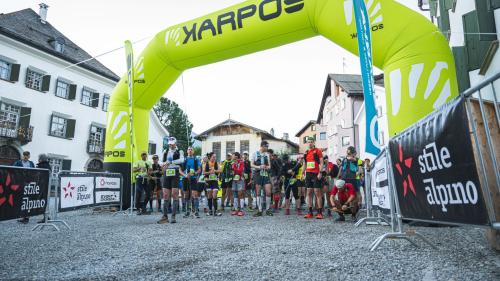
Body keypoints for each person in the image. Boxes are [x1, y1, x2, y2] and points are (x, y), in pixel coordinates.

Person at [157, 137, 185, 224]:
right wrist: (165, 163)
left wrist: (171, 161)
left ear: (175, 143)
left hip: (175, 172)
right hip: (167, 172)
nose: (171, 145)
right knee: (165, 195)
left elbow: (182, 160)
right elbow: (160, 162)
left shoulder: (179, 151)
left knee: (175, 194)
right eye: (170, 143)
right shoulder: (165, 151)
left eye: (172, 143)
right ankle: (165, 217)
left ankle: (173, 216)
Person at [303, 137, 324, 219]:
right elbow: (305, 163)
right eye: (308, 142)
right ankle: (310, 212)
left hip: (316, 173)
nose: (310, 143)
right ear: (307, 143)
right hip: (308, 173)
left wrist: (320, 172)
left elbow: (321, 162)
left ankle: (320, 212)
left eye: (311, 142)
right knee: (309, 193)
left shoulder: (318, 151)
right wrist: (302, 173)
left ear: (314, 142)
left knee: (317, 192)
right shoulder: (306, 152)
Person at [251, 141, 273, 217]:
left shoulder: (267, 155)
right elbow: (252, 164)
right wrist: (259, 167)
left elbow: (269, 166)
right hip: (258, 174)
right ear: (262, 146)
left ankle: (267, 210)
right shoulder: (255, 154)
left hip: (266, 174)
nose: (267, 148)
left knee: (268, 192)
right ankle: (260, 210)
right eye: (266, 146)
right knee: (258, 192)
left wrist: (266, 167)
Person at [14, 151, 36, 224]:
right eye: (24, 155)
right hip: (20, 183)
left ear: (29, 156)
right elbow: (13, 170)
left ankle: (26, 217)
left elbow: (34, 172)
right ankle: (21, 215)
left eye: (27, 155)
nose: (25, 157)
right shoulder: (18, 163)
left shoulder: (31, 163)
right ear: (22, 156)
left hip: (28, 183)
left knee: (27, 199)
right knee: (20, 198)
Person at [181, 147, 201, 218]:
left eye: (191, 149)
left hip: (193, 178)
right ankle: (187, 211)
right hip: (185, 178)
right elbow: (180, 170)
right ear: (187, 151)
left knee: (194, 194)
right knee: (186, 195)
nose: (190, 150)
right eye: (189, 149)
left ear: (193, 151)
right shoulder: (184, 159)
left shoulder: (196, 159)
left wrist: (194, 173)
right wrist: (185, 175)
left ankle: (195, 211)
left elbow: (199, 170)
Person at [133, 152, 152, 216]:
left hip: (146, 178)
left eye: (145, 155)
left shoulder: (149, 162)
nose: (144, 156)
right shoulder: (137, 162)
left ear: (146, 156)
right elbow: (133, 170)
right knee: (138, 193)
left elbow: (150, 171)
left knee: (148, 194)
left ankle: (143, 207)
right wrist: (140, 168)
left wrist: (148, 171)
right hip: (140, 178)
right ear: (141, 156)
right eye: (142, 155)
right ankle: (138, 209)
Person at [36, 154, 52, 224]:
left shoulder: (41, 166)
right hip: (46, 185)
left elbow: (37, 176)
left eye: (39, 158)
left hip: (41, 185)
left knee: (41, 201)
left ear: (41, 159)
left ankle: (45, 217)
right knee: (44, 201)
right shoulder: (48, 165)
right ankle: (46, 216)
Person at [231, 152, 245, 216]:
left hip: (240, 180)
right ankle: (236, 209)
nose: (232, 157)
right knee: (235, 194)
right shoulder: (233, 163)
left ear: (236, 157)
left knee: (240, 194)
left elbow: (240, 170)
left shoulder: (241, 162)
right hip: (234, 180)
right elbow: (231, 172)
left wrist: (234, 169)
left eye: (233, 156)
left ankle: (241, 210)